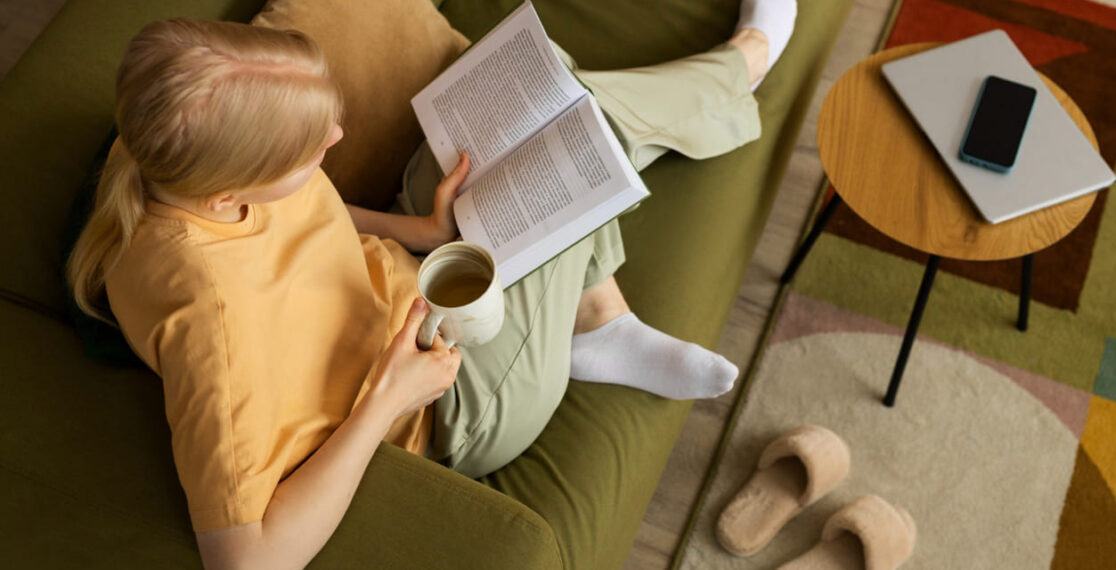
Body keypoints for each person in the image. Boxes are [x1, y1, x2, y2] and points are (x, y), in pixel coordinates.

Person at [65, 1, 797, 567]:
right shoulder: (215, 329)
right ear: (230, 192)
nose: (335, 142)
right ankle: (746, 62)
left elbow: (299, 220)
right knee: (583, 128)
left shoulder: (157, 158)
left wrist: (418, 230)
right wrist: (390, 397)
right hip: (452, 395)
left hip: (416, 274)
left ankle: (594, 315)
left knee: (541, 83)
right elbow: (245, 560)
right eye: (310, 149)